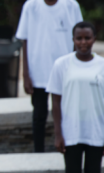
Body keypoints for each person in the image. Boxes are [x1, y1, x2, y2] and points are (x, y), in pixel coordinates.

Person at [47, 22, 103, 173]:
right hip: (71, 132)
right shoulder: (62, 64)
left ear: (94, 39)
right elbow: (56, 100)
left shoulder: (102, 65)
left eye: (87, 38)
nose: (83, 42)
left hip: (96, 132)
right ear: (73, 40)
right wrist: (58, 133)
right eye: (79, 38)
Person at [16, 0, 83, 152]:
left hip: (66, 72)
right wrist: (25, 73)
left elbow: (79, 37)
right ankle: (38, 152)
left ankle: (69, 148)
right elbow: (24, 40)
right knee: (39, 114)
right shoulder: (31, 6)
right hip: (38, 71)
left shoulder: (71, 5)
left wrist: (76, 68)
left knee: (67, 112)